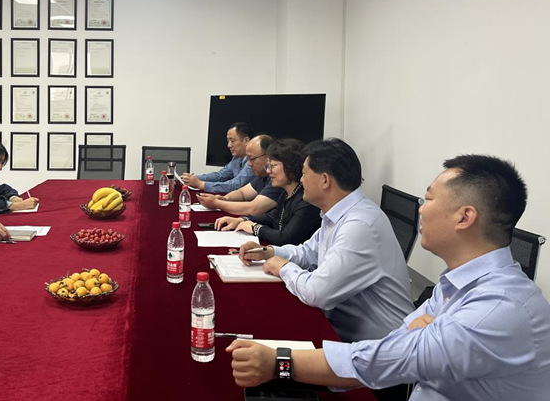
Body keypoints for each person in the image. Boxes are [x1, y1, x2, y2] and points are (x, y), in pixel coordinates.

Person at [229, 155, 550, 400]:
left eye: (429, 200)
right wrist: (416, 339)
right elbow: (399, 345)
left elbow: (387, 359)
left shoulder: (498, 307)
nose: (421, 210)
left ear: (465, 217)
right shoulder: (456, 282)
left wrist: (279, 363)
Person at [238, 138, 413, 343]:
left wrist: (283, 267)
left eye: (304, 174)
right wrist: (270, 253)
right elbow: (308, 252)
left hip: (378, 347)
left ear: (324, 180)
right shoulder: (338, 213)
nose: (301, 180)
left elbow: (316, 293)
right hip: (345, 330)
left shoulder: (359, 225)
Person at [215, 138, 321, 246]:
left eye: (272, 166)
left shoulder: (307, 200)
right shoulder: (286, 193)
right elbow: (272, 217)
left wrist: (256, 228)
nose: (268, 171)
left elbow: (285, 238)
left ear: (290, 166)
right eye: (268, 166)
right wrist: (243, 220)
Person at [197, 134, 281, 215]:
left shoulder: (278, 179)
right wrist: (224, 198)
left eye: (252, 159)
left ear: (268, 157)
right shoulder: (263, 176)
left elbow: (254, 208)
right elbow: (242, 193)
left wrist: (216, 203)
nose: (249, 164)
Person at [182, 122, 254, 193]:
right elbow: (220, 175)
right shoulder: (236, 158)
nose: (229, 145)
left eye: (232, 141)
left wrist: (201, 184)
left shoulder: (253, 161)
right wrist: (195, 178)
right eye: (228, 141)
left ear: (246, 140)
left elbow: (235, 185)